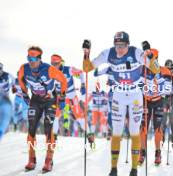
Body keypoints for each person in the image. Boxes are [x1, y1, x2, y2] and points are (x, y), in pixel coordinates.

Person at [82, 31, 160, 176]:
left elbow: (156, 68)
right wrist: (86, 53)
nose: (119, 49)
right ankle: (113, 168)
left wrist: (149, 54)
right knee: (116, 131)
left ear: (128, 44)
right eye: (117, 45)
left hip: (135, 94)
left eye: (122, 45)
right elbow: (87, 68)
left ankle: (134, 169)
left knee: (134, 131)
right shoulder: (108, 53)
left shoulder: (136, 52)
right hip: (118, 94)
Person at [18, 46, 67, 173]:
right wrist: (24, 93)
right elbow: (20, 80)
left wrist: (62, 97)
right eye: (29, 58)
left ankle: (48, 160)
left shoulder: (49, 69)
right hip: (35, 99)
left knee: (48, 129)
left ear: (39, 59)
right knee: (32, 128)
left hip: (50, 99)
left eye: (33, 58)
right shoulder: (24, 68)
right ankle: (31, 159)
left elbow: (63, 80)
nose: (31, 61)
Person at [50, 54, 87, 138]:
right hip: (60, 96)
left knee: (79, 116)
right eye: (52, 64)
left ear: (60, 63)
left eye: (56, 64)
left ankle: (89, 135)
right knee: (55, 116)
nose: (54, 66)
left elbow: (80, 73)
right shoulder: (50, 72)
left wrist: (83, 85)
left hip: (71, 95)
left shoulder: (68, 70)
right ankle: (54, 137)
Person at [0, 62, 15, 140]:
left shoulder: (7, 75)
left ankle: (10, 123)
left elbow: (14, 81)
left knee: (8, 111)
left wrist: (14, 87)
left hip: (5, 98)